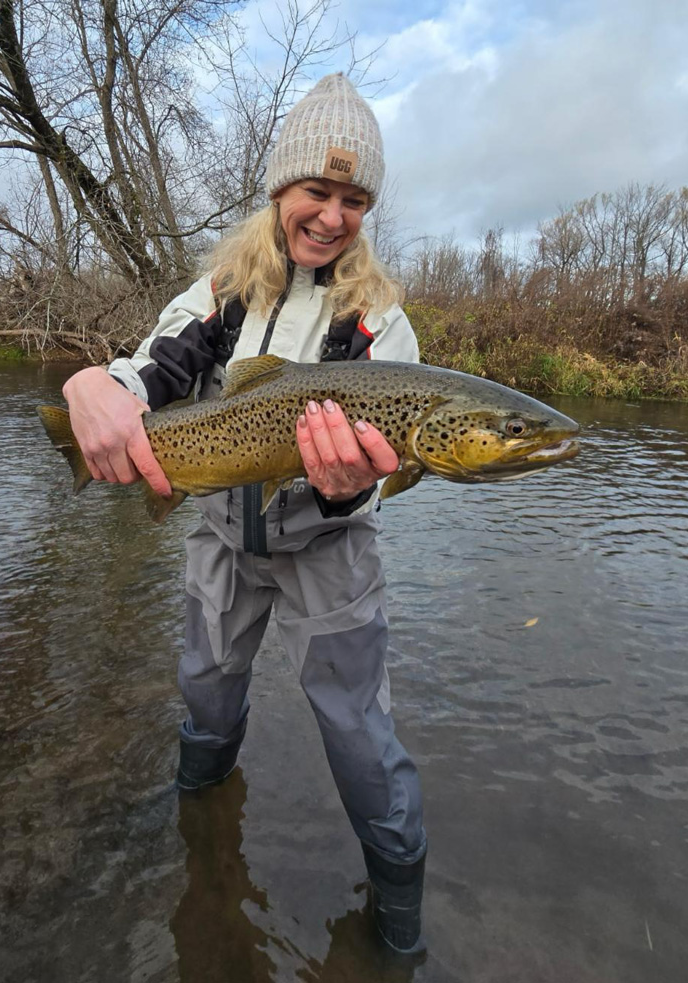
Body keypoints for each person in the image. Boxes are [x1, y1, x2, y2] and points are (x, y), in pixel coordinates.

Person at [62, 73, 428, 953]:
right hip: (224, 535)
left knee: (357, 731)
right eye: (316, 191)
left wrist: (349, 486)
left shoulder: (378, 323)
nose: (332, 216)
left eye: (352, 200)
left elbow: (381, 471)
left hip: (328, 549)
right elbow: (150, 372)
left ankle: (399, 913)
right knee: (207, 691)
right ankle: (201, 823)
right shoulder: (223, 291)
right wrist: (94, 387)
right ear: (280, 189)